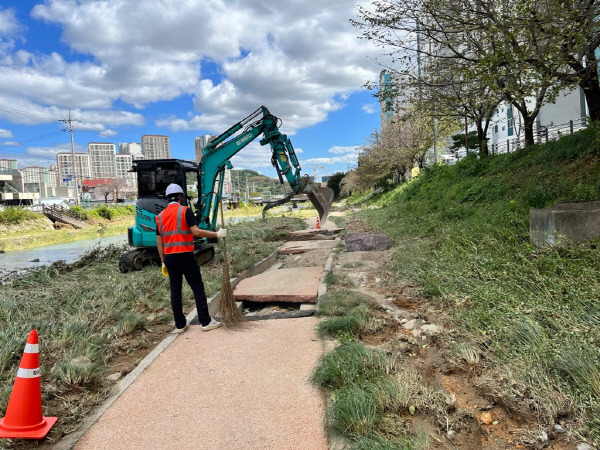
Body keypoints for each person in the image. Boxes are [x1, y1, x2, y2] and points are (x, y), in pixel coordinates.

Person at [156, 183, 227, 333]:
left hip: (169, 258)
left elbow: (159, 242)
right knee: (197, 287)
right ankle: (205, 321)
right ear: (181, 197)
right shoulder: (185, 211)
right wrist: (217, 234)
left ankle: (180, 325)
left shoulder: (159, 217)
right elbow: (196, 231)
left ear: (167, 198)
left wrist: (163, 262)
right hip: (185, 257)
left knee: (175, 291)